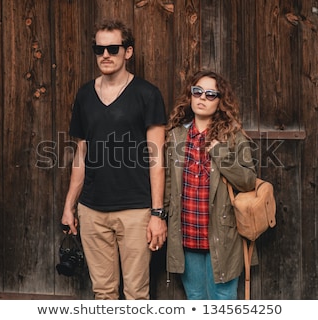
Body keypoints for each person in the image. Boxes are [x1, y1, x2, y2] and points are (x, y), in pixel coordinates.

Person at [61, 19, 167, 300]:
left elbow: (157, 159)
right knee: (103, 294)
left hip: (135, 211)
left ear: (128, 52)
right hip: (92, 211)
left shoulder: (148, 94)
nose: (105, 55)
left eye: (113, 48)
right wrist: (70, 206)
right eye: (99, 49)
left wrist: (157, 214)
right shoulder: (84, 95)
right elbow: (81, 154)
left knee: (136, 296)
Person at [164, 70, 257, 300]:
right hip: (187, 233)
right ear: (190, 95)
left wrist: (219, 151)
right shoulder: (176, 136)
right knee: (195, 298)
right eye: (197, 92)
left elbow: (247, 181)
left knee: (223, 299)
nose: (202, 98)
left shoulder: (233, 136)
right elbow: (168, 184)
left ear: (220, 101)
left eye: (211, 94)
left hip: (221, 234)